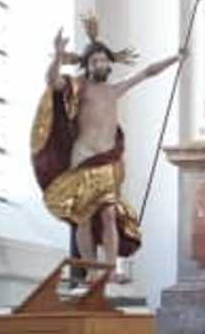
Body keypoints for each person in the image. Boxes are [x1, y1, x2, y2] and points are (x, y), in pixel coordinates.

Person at [31, 17, 183, 270]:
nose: (100, 65)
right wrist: (57, 55)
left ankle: (109, 269)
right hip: (83, 157)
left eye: (103, 60)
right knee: (82, 217)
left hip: (108, 159)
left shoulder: (113, 90)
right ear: (87, 65)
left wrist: (175, 58)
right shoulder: (79, 88)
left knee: (109, 214)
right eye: (95, 61)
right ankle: (92, 270)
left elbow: (147, 72)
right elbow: (52, 81)